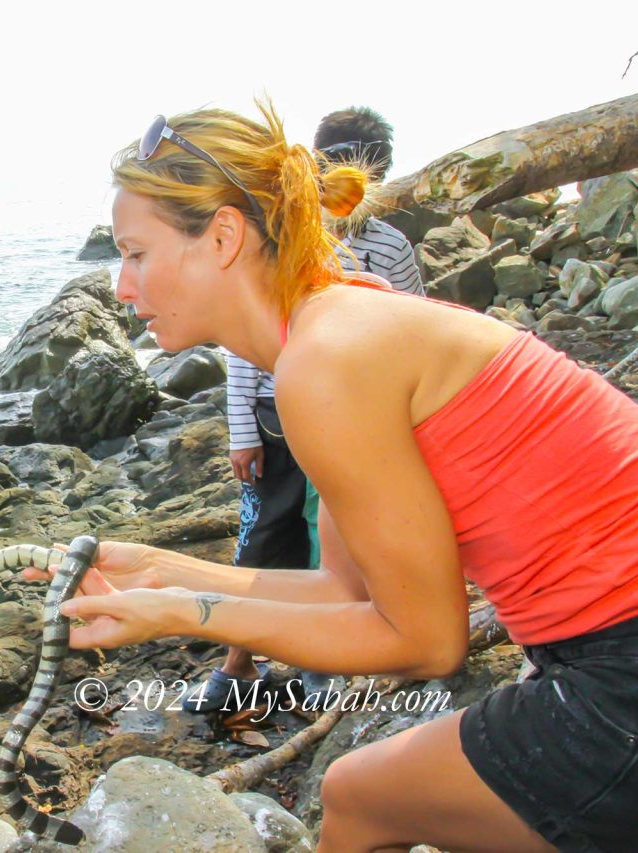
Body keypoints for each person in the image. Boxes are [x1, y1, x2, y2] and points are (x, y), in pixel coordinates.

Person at [28, 103, 638, 851]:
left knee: (358, 795)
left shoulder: (326, 364)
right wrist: (158, 569)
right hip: (618, 648)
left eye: (136, 254)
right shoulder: (332, 328)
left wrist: (180, 613)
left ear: (224, 237)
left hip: (635, 666)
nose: (124, 288)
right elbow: (347, 593)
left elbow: (427, 641)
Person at [194, 107, 425, 712]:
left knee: (342, 541)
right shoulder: (281, 240)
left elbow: (412, 328)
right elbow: (246, 343)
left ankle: (325, 660)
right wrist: (242, 431)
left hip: (358, 416)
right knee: (266, 537)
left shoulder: (388, 245)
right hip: (276, 414)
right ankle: (236, 665)